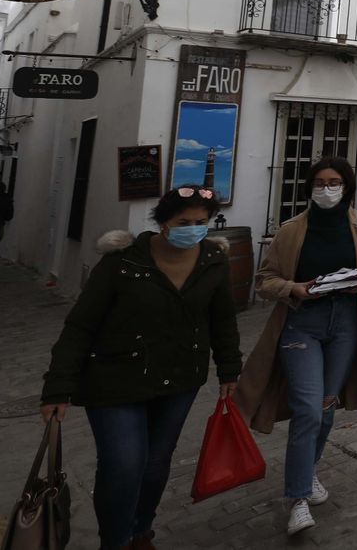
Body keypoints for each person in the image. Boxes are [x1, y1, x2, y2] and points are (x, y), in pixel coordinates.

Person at [39, 186, 241, 550]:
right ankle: (114, 541)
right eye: (184, 222)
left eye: (201, 222)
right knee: (123, 465)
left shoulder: (213, 259)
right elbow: (81, 324)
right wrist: (58, 385)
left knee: (155, 464)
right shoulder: (123, 261)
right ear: (164, 223)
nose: (193, 228)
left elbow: (222, 319)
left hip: (178, 378)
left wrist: (230, 370)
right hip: (117, 378)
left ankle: (140, 531)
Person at [235, 157, 357, 537]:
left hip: (347, 324)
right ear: (309, 187)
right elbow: (265, 279)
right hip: (302, 323)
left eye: (334, 182)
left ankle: (308, 470)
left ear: (347, 186)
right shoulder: (291, 231)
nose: (327, 188)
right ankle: (298, 498)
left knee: (326, 406)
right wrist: (294, 289)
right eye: (319, 182)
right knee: (307, 407)